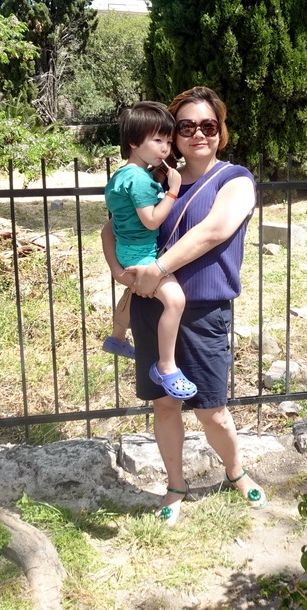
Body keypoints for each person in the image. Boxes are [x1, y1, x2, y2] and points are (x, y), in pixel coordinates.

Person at [101, 86, 267, 526]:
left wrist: (158, 268)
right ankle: (176, 486)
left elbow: (214, 230)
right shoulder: (153, 180)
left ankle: (235, 471)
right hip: (151, 306)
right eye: (186, 127)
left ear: (221, 131)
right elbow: (113, 228)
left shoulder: (234, 180)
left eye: (208, 126)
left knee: (212, 409)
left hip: (204, 312)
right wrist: (122, 272)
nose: (198, 134)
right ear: (172, 135)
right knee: (165, 405)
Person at [103, 101, 197, 401]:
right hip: (141, 255)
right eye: (157, 140)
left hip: (127, 250)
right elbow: (152, 219)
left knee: (134, 292)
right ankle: (166, 366)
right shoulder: (140, 179)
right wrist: (172, 189)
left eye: (168, 141)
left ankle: (117, 337)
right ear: (134, 141)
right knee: (175, 300)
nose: (165, 149)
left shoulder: (122, 175)